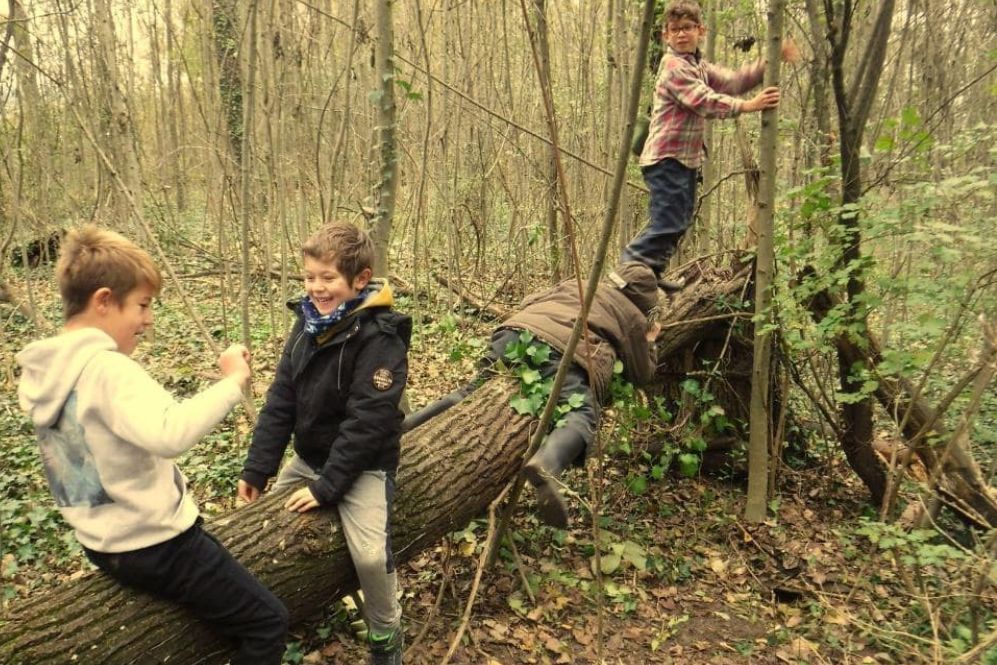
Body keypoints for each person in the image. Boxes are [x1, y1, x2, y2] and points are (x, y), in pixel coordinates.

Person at [16, 225, 288, 664]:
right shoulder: (105, 369)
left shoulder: (49, 371)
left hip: (102, 543)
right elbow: (170, 432)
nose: (148, 320)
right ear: (103, 300)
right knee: (268, 622)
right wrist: (234, 381)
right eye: (142, 305)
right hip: (156, 545)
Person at [238, 221, 410, 665]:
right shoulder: (306, 325)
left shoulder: (381, 338)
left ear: (360, 280)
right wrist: (258, 469)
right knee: (261, 532)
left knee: (370, 557)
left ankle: (386, 634)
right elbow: (281, 399)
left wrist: (325, 488)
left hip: (365, 465)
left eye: (328, 278)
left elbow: (367, 423)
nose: (316, 287)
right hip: (310, 457)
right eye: (309, 277)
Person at [403, 262, 662, 529]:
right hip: (561, 350)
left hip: (514, 334)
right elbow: (641, 373)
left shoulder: (580, 283)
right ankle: (548, 465)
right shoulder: (633, 317)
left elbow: (530, 300)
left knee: (469, 393)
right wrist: (650, 340)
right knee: (582, 413)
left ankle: (408, 426)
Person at [622, 0, 800, 276]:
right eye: (675, 29)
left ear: (700, 30)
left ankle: (649, 277)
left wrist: (768, 63)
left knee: (679, 222)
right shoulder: (673, 66)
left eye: (688, 28)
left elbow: (732, 81)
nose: (682, 34)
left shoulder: (698, 66)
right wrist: (747, 106)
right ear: (665, 36)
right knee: (666, 223)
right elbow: (702, 100)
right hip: (665, 158)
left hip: (685, 161)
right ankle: (629, 272)